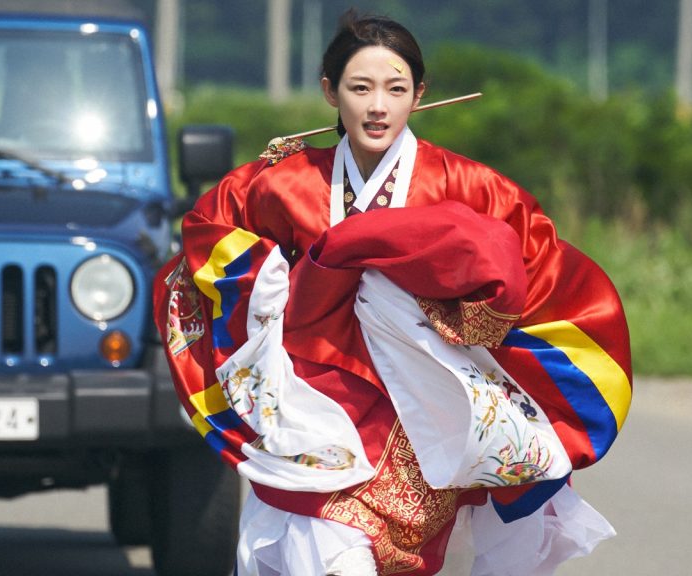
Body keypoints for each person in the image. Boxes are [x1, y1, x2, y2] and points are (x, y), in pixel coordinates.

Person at [154, 10, 632, 576]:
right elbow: (207, 238)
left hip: (429, 416)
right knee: (328, 554)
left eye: (395, 88)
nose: (377, 106)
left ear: (419, 95)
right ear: (330, 92)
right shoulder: (281, 183)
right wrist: (273, 288)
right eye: (360, 88)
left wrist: (468, 311)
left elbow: (538, 269)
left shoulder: (466, 185)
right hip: (320, 414)